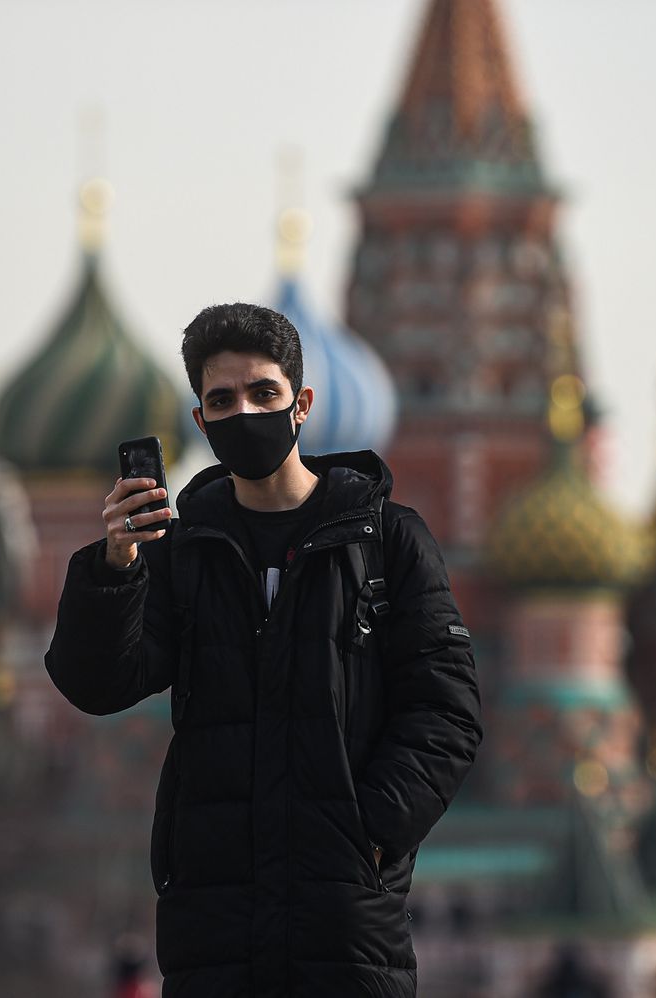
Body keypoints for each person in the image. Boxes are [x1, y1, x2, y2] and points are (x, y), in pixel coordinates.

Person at [46, 303, 483, 997]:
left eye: (263, 394)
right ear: (200, 422)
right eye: (222, 400)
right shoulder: (184, 554)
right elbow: (99, 684)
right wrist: (118, 562)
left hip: (345, 927)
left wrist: (365, 833)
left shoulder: (384, 541)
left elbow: (448, 711)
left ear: (301, 404)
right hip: (216, 924)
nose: (243, 413)